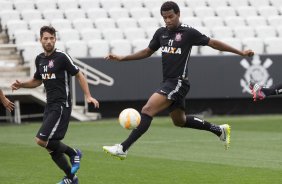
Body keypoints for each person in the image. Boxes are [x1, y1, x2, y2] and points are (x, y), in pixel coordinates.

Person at [103, 1, 254, 160]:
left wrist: (241, 52)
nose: (168, 20)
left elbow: (213, 43)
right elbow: (147, 51)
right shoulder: (161, 33)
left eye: (170, 16)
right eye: (164, 17)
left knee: (147, 110)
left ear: (178, 14)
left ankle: (123, 148)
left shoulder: (188, 33)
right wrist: (122, 58)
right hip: (168, 82)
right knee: (179, 121)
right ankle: (219, 130)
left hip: (178, 82)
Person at [11, 26, 99, 184]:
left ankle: (73, 153)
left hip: (61, 105)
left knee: (41, 140)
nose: (49, 41)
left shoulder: (62, 57)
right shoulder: (39, 59)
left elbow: (79, 75)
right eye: (46, 38)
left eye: (51, 38)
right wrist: (22, 84)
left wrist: (88, 96)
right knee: (49, 145)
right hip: (49, 105)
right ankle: (71, 178)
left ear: (55, 39)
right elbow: (37, 80)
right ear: (40, 40)